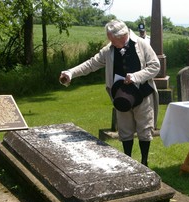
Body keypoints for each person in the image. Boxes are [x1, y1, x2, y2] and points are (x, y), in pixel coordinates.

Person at [59, 19, 160, 167]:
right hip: (121, 96)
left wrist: (135, 76)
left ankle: (144, 163)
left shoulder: (142, 44)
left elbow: (155, 66)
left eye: (112, 40)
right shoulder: (109, 50)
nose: (111, 43)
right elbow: (91, 64)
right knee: (125, 131)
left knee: (145, 130)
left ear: (122, 35)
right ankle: (128, 162)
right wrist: (71, 73)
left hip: (143, 94)